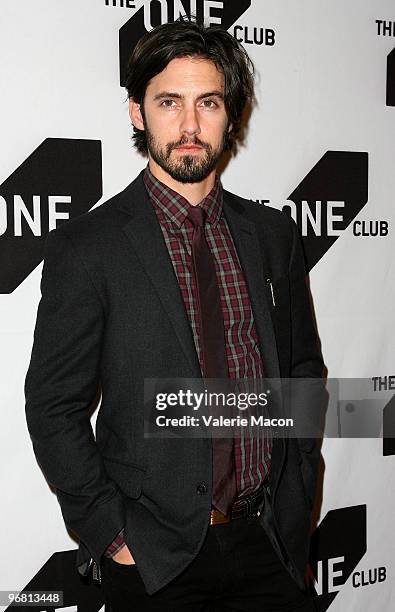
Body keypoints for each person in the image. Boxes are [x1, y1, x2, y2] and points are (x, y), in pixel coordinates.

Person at [25, 17, 325, 611]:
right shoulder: (90, 247)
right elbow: (53, 403)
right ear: (138, 112)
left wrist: (297, 497)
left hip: (270, 545)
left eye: (208, 102)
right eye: (170, 102)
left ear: (231, 114)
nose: (189, 126)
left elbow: (302, 371)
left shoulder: (272, 235)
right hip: (154, 562)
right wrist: (112, 533)